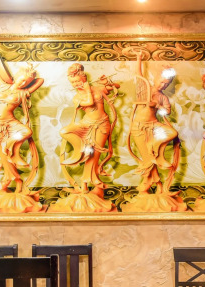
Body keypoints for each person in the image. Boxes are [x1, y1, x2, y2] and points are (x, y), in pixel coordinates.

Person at [0, 48, 44, 192]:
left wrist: (30, 75)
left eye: (26, 82)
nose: (23, 83)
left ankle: (9, 144)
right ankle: (13, 180)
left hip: (10, 122)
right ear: (16, 77)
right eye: (22, 80)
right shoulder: (3, 86)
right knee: (4, 156)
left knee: (27, 131)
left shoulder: (24, 93)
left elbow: (41, 81)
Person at [59, 63, 119, 195]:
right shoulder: (77, 98)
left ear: (84, 79)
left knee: (94, 156)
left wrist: (107, 82)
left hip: (102, 124)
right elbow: (90, 102)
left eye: (78, 81)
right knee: (64, 131)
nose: (76, 84)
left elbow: (116, 87)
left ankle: (87, 185)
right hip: (86, 124)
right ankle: (79, 149)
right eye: (73, 82)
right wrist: (87, 90)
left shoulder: (97, 89)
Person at [127, 52, 180, 194]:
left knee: (172, 132)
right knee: (148, 158)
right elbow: (138, 75)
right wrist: (138, 58)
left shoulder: (163, 97)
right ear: (156, 78)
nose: (163, 85)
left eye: (166, 84)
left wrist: (157, 105)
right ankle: (157, 184)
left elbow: (166, 112)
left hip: (154, 125)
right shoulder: (145, 88)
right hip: (139, 127)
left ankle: (154, 146)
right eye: (161, 81)